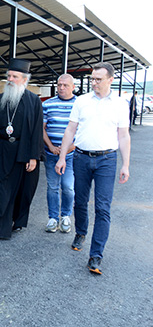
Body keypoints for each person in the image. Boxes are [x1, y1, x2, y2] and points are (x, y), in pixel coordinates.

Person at [55, 62, 130, 275]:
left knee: (102, 208)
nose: (94, 82)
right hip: (81, 158)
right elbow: (70, 130)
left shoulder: (120, 104)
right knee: (80, 200)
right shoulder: (82, 101)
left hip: (107, 159)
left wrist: (125, 164)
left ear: (110, 80)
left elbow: (124, 135)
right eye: (92, 79)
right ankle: (81, 232)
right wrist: (62, 157)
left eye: (98, 79)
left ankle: (96, 255)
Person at [0, 58, 43, 239]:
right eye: (9, 76)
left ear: (24, 79)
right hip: (1, 150)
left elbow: (37, 131)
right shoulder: (0, 99)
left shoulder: (33, 101)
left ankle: (12, 222)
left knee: (18, 190)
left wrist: (33, 157)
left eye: (14, 76)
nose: (10, 79)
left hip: (21, 152)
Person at [42, 74, 76, 233]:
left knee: (68, 187)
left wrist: (66, 149)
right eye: (59, 85)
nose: (61, 88)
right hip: (51, 154)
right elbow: (42, 129)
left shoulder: (79, 105)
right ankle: (53, 218)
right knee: (52, 187)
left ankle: (66, 216)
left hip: (71, 155)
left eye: (65, 85)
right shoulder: (47, 104)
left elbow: (83, 132)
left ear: (73, 87)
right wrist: (50, 146)